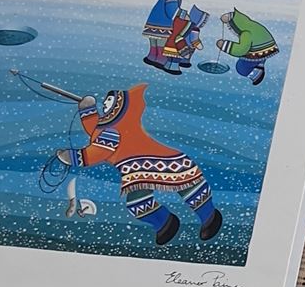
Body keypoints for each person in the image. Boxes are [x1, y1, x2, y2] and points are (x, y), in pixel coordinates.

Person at [57, 85, 222, 246]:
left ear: (118, 106)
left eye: (109, 102)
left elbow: (96, 153)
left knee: (189, 189)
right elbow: (94, 131)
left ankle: (208, 217)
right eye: (105, 102)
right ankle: (165, 223)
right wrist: (88, 109)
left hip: (162, 161)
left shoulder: (112, 132)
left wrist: (71, 157)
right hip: (136, 171)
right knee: (137, 202)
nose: (105, 105)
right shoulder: (108, 128)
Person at [217, 7, 280, 85]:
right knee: (242, 67)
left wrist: (225, 45)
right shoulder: (248, 28)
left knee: (242, 68)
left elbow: (241, 49)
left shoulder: (246, 33)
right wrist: (224, 45)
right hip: (262, 46)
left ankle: (254, 71)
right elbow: (241, 50)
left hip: (260, 47)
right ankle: (254, 70)